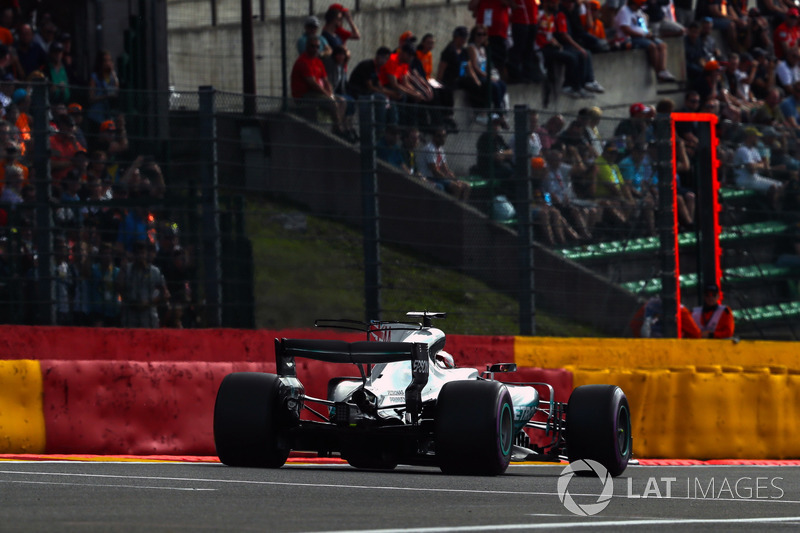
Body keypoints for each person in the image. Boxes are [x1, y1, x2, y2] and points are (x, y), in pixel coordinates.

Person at [290, 36, 349, 139]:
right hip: (305, 94)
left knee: (342, 101)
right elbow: (313, 84)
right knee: (332, 103)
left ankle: (336, 127)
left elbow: (326, 80)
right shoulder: (303, 62)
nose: (315, 49)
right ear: (307, 46)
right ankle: (338, 129)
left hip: (317, 93)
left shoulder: (318, 61)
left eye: (317, 47)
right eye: (312, 46)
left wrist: (330, 93)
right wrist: (328, 96)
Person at [614, 0, 677, 82]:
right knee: (652, 46)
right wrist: (643, 35)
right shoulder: (624, 11)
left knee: (662, 45)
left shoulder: (638, 11)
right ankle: (658, 73)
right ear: (633, 3)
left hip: (642, 36)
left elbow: (643, 27)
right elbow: (626, 29)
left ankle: (663, 71)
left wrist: (648, 34)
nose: (640, 7)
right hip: (629, 39)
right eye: (639, 5)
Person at [117, 240, 169, 328]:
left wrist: (149, 302)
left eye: (143, 253)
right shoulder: (127, 270)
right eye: (138, 253)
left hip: (149, 317)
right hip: (130, 317)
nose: (140, 256)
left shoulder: (154, 271)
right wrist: (122, 269)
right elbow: (118, 288)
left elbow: (165, 293)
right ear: (133, 254)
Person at [731, 126, 784, 209]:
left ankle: (773, 208)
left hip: (754, 178)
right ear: (750, 137)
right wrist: (758, 165)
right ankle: (773, 210)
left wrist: (756, 165)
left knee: (780, 185)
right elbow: (751, 170)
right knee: (773, 186)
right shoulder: (743, 149)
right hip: (743, 180)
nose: (758, 138)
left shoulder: (753, 149)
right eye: (756, 136)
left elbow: (764, 165)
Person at [462, 25, 508, 110]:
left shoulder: (483, 49)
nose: (481, 37)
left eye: (484, 34)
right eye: (479, 34)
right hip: (477, 75)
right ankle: (498, 112)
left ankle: (498, 107)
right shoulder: (472, 48)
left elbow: (486, 65)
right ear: (474, 35)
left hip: (484, 74)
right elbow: (474, 66)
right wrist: (487, 76)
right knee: (495, 86)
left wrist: (491, 75)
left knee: (502, 85)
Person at [419, 127, 471, 200]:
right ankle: (452, 208)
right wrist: (450, 180)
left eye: (444, 136)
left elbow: (445, 169)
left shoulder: (440, 150)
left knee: (466, 186)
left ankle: (462, 208)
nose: (442, 138)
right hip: (430, 177)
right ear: (433, 137)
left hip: (439, 178)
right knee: (456, 187)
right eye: (439, 136)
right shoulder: (430, 149)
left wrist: (455, 179)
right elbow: (435, 171)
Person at [630, 296, 703, 338]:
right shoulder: (681, 310)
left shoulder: (648, 306)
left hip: (650, 347)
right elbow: (696, 334)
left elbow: (634, 325)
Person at [87, 50, 120, 130]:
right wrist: (104, 96)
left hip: (108, 115)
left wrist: (113, 73)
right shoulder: (94, 77)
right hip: (96, 114)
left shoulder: (112, 77)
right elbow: (91, 97)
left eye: (109, 60)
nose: (107, 63)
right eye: (105, 61)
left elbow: (116, 91)